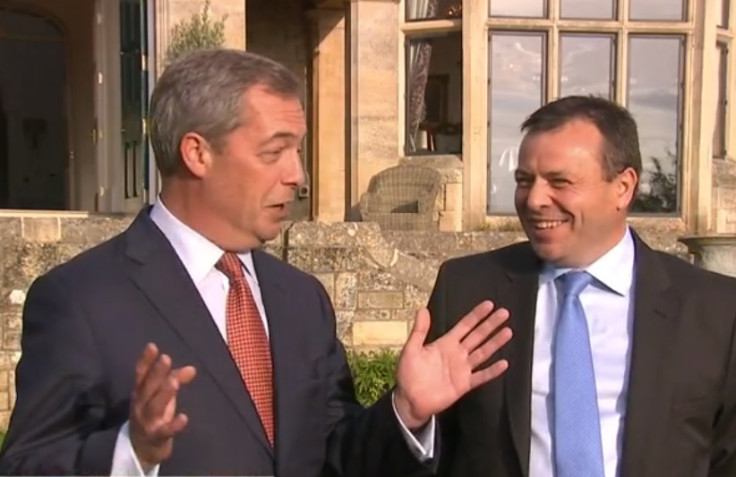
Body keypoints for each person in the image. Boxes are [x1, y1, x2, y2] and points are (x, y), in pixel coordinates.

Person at [0, 49, 513, 476]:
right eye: (275, 152)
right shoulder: (82, 298)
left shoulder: (301, 298)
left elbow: (335, 454)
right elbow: (26, 464)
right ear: (197, 153)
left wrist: (404, 411)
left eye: (299, 151)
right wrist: (129, 452)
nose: (299, 176)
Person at [426, 95, 736, 477]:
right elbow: (426, 452)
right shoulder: (466, 290)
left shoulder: (714, 310)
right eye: (525, 180)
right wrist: (409, 414)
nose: (535, 199)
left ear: (623, 187)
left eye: (560, 181)